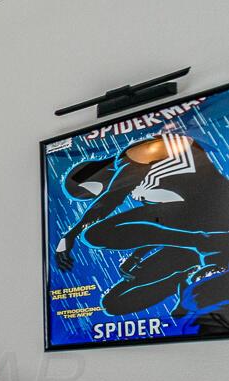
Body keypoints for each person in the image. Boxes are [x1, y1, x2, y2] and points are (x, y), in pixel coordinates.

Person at [54, 130, 229, 317]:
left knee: (92, 235)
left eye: (92, 192)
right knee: (111, 303)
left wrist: (70, 235)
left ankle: (206, 248)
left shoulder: (138, 153)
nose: (97, 195)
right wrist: (138, 255)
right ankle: (191, 274)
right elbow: (162, 224)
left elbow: (110, 199)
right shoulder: (141, 190)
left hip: (213, 217)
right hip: (195, 234)